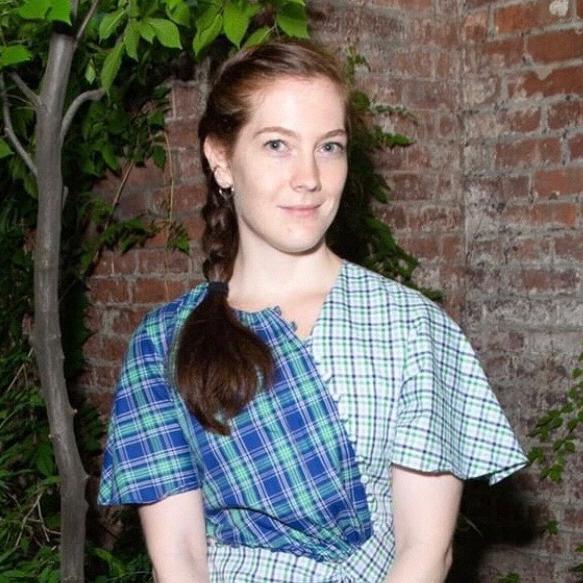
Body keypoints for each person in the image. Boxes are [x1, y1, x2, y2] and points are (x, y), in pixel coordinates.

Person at [98, 38, 529, 583]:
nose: (309, 177)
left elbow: (425, 551)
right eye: (277, 144)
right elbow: (178, 557)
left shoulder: (410, 326)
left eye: (329, 147)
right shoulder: (165, 341)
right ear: (221, 159)